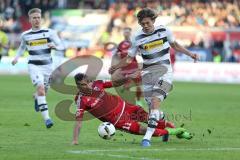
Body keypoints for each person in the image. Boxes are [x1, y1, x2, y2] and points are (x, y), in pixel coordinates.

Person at [109, 8, 199, 147]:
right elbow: (129, 59)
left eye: (147, 22)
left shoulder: (164, 31)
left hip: (165, 73)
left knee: (156, 102)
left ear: (153, 21)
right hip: (148, 75)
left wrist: (190, 54)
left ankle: (147, 138)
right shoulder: (137, 37)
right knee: (153, 110)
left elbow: (175, 45)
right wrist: (116, 67)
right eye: (142, 23)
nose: (145, 25)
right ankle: (169, 129)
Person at [72, 73, 193, 145]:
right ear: (77, 85)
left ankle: (171, 127)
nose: (85, 86)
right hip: (119, 121)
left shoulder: (97, 84)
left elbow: (114, 83)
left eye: (86, 83)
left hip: (128, 108)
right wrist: (75, 140)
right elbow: (78, 121)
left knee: (153, 122)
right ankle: (175, 131)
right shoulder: (81, 100)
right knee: (147, 131)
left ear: (89, 81)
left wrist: (128, 78)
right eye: (81, 85)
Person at [11, 8, 64, 128]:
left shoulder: (50, 32)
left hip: (48, 66)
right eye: (34, 18)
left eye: (38, 17)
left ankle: (36, 97)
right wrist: (16, 58)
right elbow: (22, 48)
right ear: (30, 20)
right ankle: (47, 119)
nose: (37, 20)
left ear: (41, 19)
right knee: (40, 89)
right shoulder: (25, 35)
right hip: (34, 65)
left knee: (44, 91)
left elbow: (61, 45)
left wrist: (54, 46)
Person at [112, 27, 142, 105]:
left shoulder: (133, 43)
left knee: (138, 85)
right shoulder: (120, 44)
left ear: (130, 33)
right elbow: (117, 54)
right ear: (123, 34)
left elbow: (139, 51)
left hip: (134, 66)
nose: (126, 33)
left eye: (128, 32)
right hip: (125, 68)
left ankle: (138, 100)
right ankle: (128, 100)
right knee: (127, 85)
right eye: (125, 32)